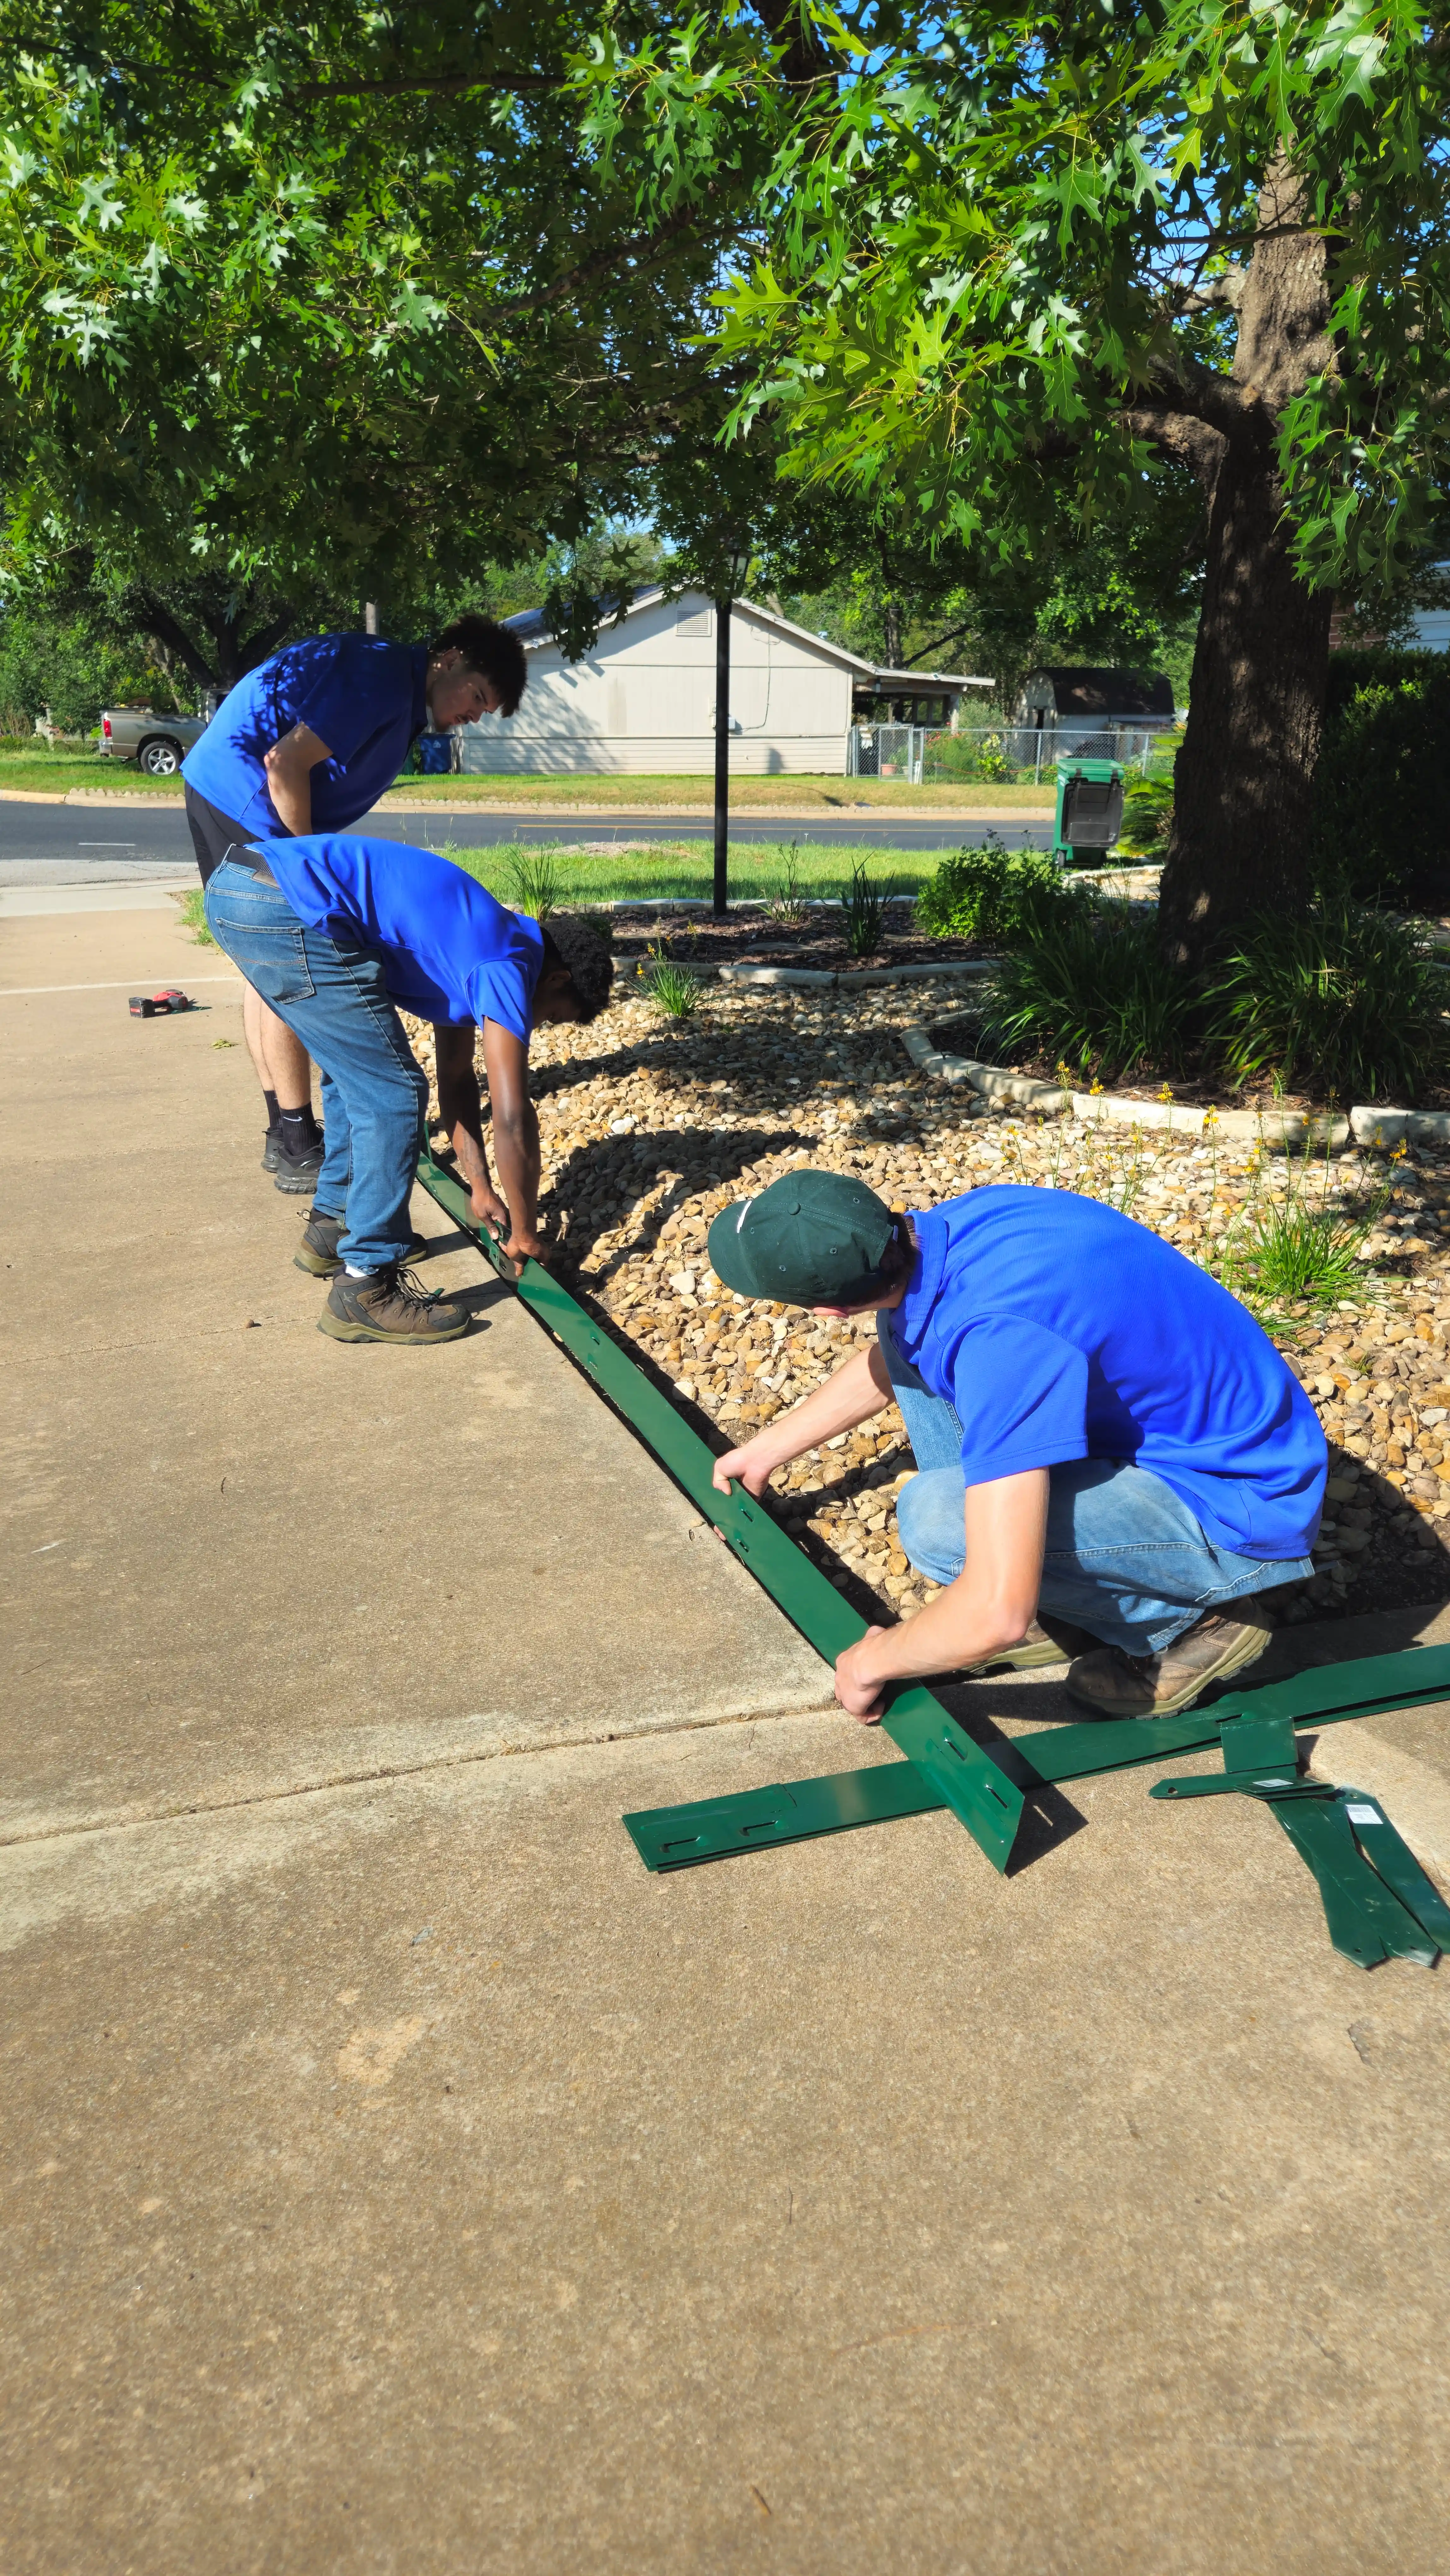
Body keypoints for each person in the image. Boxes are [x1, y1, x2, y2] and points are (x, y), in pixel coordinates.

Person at [707, 1171, 1326, 1721]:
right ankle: (1068, 1596)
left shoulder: (1000, 1339)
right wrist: (764, 1452)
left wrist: (871, 1662)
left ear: (828, 1311)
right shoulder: (963, 1226)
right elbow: (901, 1356)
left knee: (939, 1522)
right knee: (910, 1340)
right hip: (1204, 1437)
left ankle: (1192, 1625)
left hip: (1234, 1504)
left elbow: (994, 1616)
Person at [202, 832, 614, 1344]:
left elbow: (458, 1078)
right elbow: (511, 1117)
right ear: (557, 980)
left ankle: (333, 1225)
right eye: (550, 1017)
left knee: (357, 1077)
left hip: (243, 886)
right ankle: (365, 1285)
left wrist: (480, 1186)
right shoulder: (506, 964)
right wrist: (526, 1232)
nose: (536, 1027)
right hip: (286, 905)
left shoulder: (477, 940)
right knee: (392, 1095)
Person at [182, 616, 528, 1191]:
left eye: (484, 711)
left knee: (266, 968)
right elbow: (284, 763)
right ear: (449, 659)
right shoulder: (381, 676)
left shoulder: (401, 690)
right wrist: (308, 871)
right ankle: (297, 1141)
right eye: (477, 697)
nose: (475, 715)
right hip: (244, 799)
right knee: (292, 963)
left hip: (225, 791)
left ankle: (284, 1132)